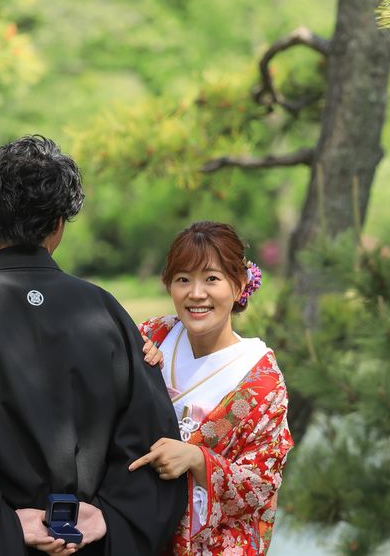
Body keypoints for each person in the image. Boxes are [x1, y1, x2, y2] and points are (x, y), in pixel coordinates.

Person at [0, 135, 187, 556]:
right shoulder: (104, 312)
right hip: (88, 541)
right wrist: (109, 517)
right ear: (59, 224)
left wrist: (1, 525)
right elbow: (151, 442)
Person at [130, 221, 294, 555]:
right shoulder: (151, 336)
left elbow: (261, 484)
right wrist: (134, 369)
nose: (196, 293)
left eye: (211, 279)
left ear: (239, 285)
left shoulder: (261, 379)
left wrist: (198, 459)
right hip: (133, 527)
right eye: (183, 279)